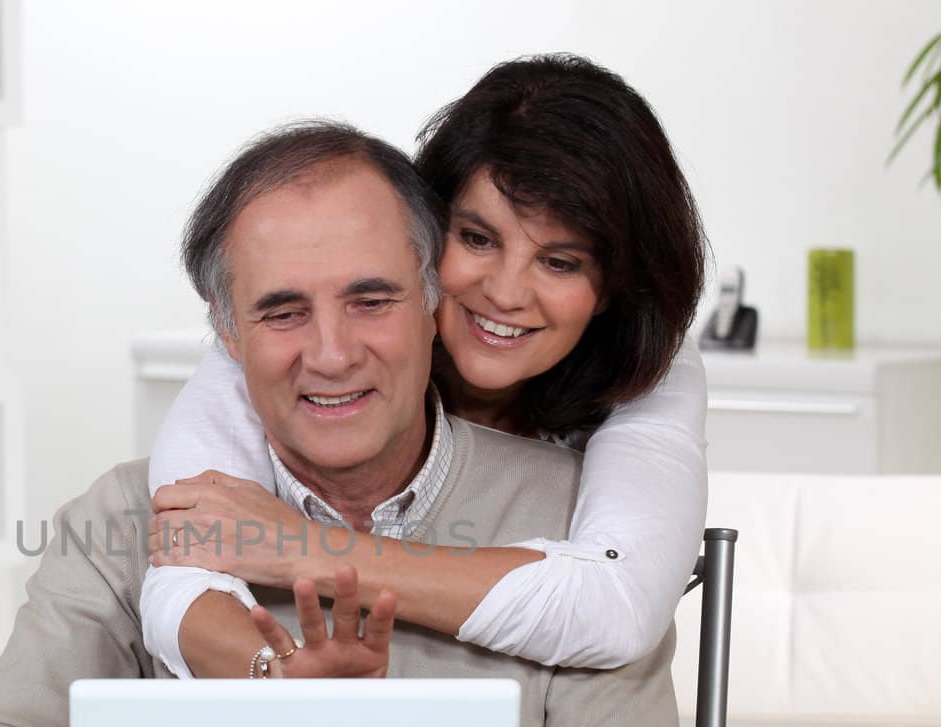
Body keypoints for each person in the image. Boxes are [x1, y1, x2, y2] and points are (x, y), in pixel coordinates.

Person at [0, 121, 703, 727]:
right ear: (228, 336)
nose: (330, 354)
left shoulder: (570, 525)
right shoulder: (126, 517)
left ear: (435, 300)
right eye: (283, 312)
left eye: (371, 300)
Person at [142, 54, 708, 680]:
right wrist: (278, 677)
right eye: (477, 238)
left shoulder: (654, 366)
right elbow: (190, 555)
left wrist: (304, 550)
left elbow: (617, 608)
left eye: (560, 262)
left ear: (612, 289)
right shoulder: (296, 339)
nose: (506, 293)